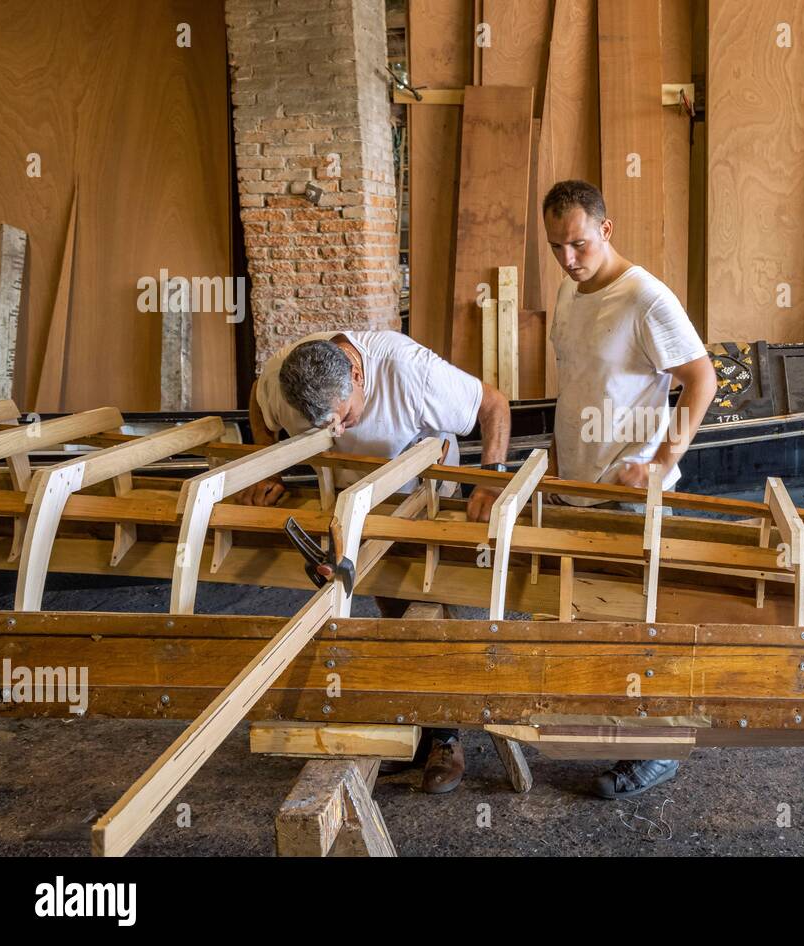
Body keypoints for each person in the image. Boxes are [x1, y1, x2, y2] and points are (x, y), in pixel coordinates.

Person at [242, 329, 511, 794]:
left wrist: (490, 478)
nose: (338, 432)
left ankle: (445, 734)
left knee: (427, 602)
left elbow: (495, 405)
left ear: (359, 374)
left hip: (421, 490)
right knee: (391, 606)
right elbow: (257, 403)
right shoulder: (282, 377)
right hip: (356, 498)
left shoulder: (411, 372)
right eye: (322, 426)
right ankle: (410, 719)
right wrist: (269, 465)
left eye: (344, 417)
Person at [542, 179, 717, 799]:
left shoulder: (645, 297)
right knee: (591, 620)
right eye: (557, 246)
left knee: (643, 623)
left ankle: (660, 750)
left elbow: (702, 379)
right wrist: (558, 459)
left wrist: (660, 465)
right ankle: (611, 734)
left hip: (627, 491)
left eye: (580, 243)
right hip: (578, 486)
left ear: (606, 230)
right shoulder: (569, 289)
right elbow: (577, 382)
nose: (568, 258)